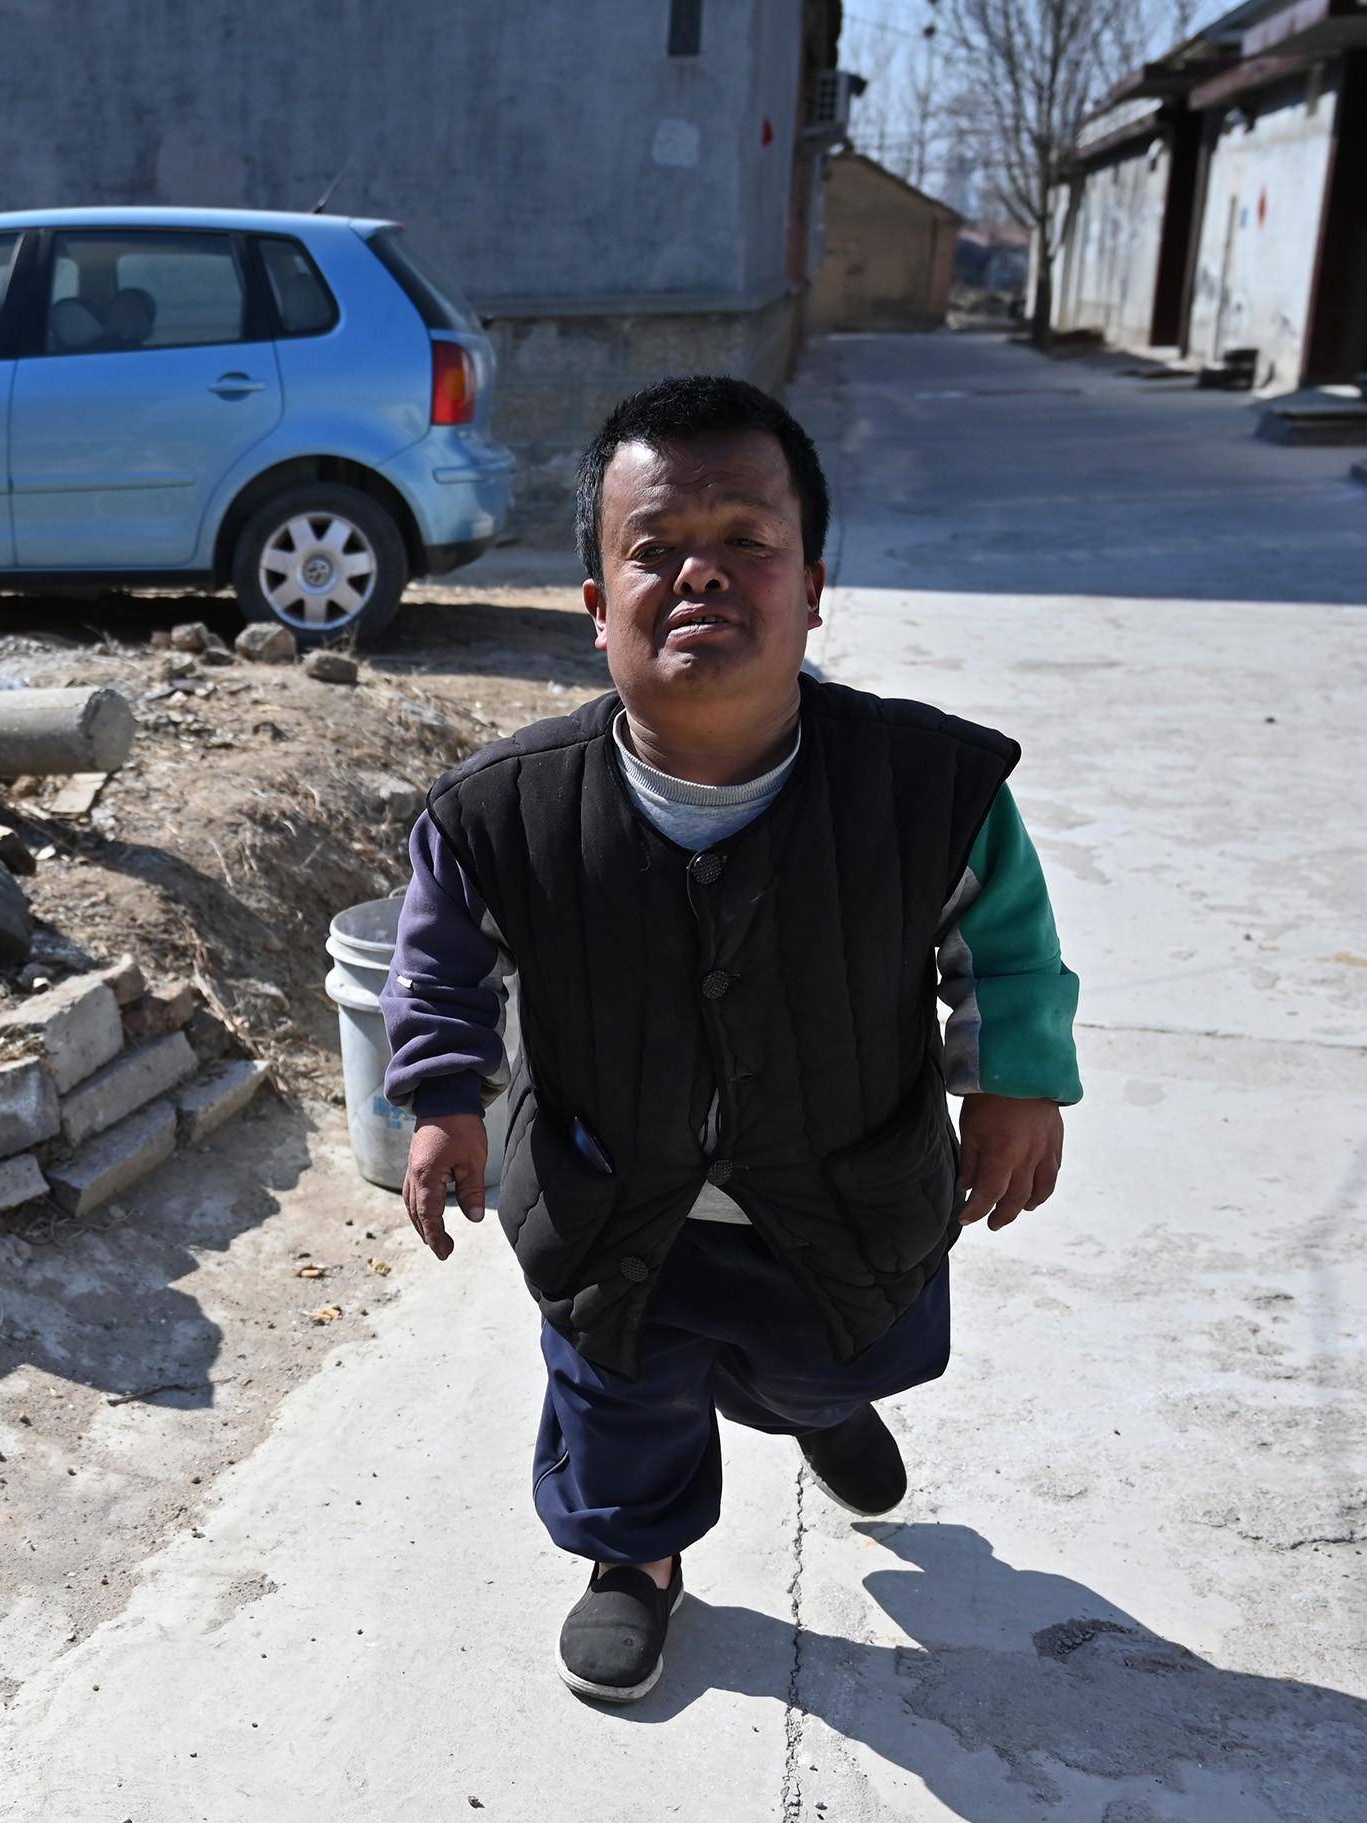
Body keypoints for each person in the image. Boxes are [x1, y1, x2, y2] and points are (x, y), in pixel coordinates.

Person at [380, 375, 1081, 1704]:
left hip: (838, 1182)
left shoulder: (922, 792)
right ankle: (636, 1561)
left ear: (814, 587)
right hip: (607, 1191)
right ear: (597, 608)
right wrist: (441, 1099)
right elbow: (443, 964)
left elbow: (1006, 942)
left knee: (833, 1347)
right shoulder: (502, 814)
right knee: (623, 1390)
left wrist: (1018, 1081)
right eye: (655, 550)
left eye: (747, 543)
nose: (701, 573)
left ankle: (814, 1407)